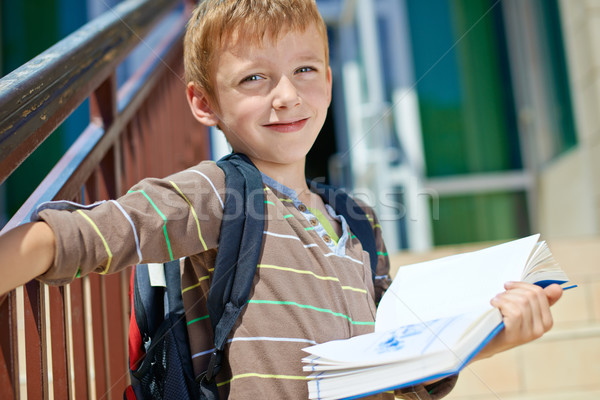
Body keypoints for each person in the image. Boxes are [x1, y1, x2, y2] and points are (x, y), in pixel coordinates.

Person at [0, 0, 563, 398]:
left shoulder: (359, 223)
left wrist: (487, 338)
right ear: (203, 103)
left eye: (305, 70)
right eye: (254, 80)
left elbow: (393, 372)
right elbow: (79, 236)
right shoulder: (216, 194)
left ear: (330, 81)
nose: (288, 95)